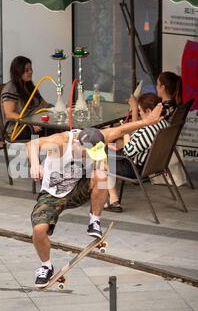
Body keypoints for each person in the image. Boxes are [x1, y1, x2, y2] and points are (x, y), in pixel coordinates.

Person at [27, 102, 163, 288]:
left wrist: (147, 121)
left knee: (102, 174)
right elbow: (32, 144)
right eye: (84, 154)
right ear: (77, 143)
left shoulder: (100, 138)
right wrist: (35, 164)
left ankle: (94, 220)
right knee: (38, 230)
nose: (86, 158)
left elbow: (123, 128)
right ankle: (45, 266)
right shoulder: (61, 142)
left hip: (77, 189)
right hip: (52, 194)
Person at [105, 93, 168, 213]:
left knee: (99, 154)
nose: (139, 114)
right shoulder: (163, 124)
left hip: (134, 168)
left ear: (149, 111)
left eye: (140, 111)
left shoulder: (148, 129)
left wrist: (127, 132)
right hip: (150, 165)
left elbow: (128, 152)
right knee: (110, 146)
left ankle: (113, 200)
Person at [1, 56, 52, 139]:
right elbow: (9, 113)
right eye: (26, 70)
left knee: (56, 127)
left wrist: (58, 109)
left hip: (36, 123)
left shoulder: (30, 86)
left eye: (31, 69)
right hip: (18, 129)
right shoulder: (10, 88)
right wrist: (30, 123)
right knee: (50, 131)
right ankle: (42, 151)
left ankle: (54, 151)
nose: (30, 72)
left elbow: (43, 104)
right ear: (18, 71)